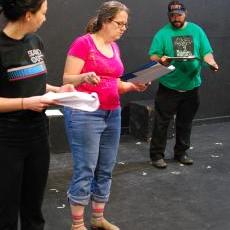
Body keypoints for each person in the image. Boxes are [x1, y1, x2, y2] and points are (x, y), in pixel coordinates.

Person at [63, 1, 147, 229]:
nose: (123, 28)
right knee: (86, 168)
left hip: (112, 113)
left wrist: (132, 86)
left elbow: (115, 83)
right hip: (85, 114)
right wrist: (83, 77)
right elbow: (67, 79)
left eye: (125, 25)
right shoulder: (83, 44)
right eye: (120, 23)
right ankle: (77, 225)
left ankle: (98, 219)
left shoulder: (114, 47)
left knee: (106, 167)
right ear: (106, 21)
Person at [0, 1, 75, 229]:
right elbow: (25, 97)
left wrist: (57, 90)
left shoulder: (35, 41)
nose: (45, 18)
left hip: (38, 134)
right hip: (6, 138)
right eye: (43, 13)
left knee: (34, 207)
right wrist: (25, 103)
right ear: (28, 15)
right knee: (5, 209)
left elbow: (35, 82)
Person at [148, 0, 219, 169]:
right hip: (169, 87)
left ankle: (181, 153)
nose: (176, 18)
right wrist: (161, 60)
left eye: (179, 15)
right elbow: (153, 56)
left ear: (185, 13)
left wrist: (211, 63)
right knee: (161, 123)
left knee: (185, 122)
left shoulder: (196, 30)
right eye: (172, 15)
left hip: (191, 86)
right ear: (169, 16)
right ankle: (157, 155)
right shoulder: (162, 33)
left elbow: (206, 52)